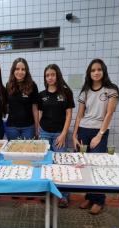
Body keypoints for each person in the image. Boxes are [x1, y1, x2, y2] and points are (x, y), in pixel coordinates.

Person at [72, 58, 119, 215]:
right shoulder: (85, 91)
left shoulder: (111, 90)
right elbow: (79, 115)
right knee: (84, 165)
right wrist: (74, 135)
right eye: (93, 70)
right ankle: (90, 196)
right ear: (89, 73)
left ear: (103, 71)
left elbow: (109, 113)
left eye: (99, 69)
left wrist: (99, 135)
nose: (96, 72)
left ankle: (99, 200)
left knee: (97, 166)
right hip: (83, 130)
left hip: (99, 131)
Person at [38, 64, 75, 208]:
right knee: (46, 164)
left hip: (59, 134)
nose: (50, 77)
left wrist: (64, 134)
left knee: (61, 164)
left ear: (57, 75)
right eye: (47, 75)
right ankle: (46, 192)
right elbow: (40, 114)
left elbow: (69, 114)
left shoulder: (66, 93)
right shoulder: (42, 95)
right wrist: (40, 131)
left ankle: (64, 195)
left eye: (52, 74)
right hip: (45, 134)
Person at [6, 58, 39, 140]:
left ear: (26, 71)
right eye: (17, 69)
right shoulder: (8, 85)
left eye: (23, 69)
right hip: (12, 127)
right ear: (13, 70)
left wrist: (37, 127)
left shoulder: (32, 85)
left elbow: (35, 108)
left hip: (28, 127)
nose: (20, 72)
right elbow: (6, 105)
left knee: (28, 151)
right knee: (13, 152)